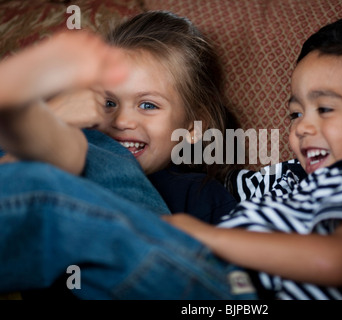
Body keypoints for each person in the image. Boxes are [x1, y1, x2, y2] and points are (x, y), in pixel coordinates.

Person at [0, 15, 342, 300]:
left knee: (66, 193)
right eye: (295, 113)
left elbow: (339, 258)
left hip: (232, 292)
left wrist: (197, 234)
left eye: (325, 109)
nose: (301, 127)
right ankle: (39, 126)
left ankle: (35, 122)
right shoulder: (288, 179)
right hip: (210, 279)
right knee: (82, 161)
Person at [0, 10, 239, 225]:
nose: (121, 121)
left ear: (193, 126)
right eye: (109, 103)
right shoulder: (79, 147)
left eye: (147, 105)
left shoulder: (198, 194)